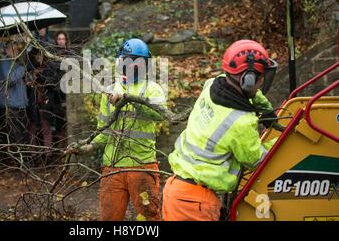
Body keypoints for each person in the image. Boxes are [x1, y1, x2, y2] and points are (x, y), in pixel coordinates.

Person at [162, 39, 279, 221]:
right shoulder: (240, 121)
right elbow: (257, 160)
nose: (261, 83)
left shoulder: (212, 85)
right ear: (248, 80)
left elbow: (251, 95)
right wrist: (280, 140)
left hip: (176, 190)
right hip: (196, 202)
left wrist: (267, 111)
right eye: (260, 78)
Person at [69, 38, 167, 221]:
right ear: (120, 62)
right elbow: (103, 131)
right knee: (109, 218)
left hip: (142, 166)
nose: (132, 66)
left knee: (149, 218)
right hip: (112, 169)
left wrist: (128, 98)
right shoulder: (110, 90)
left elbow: (160, 114)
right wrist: (88, 147)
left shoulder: (152, 89)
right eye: (128, 61)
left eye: (138, 62)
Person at [0, 41, 29, 145]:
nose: (16, 52)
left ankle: (21, 158)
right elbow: (9, 79)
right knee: (14, 137)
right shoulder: (4, 62)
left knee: (22, 135)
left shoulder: (15, 63)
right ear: (6, 50)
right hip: (10, 106)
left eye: (17, 49)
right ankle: (15, 160)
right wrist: (22, 68)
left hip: (20, 105)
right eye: (13, 49)